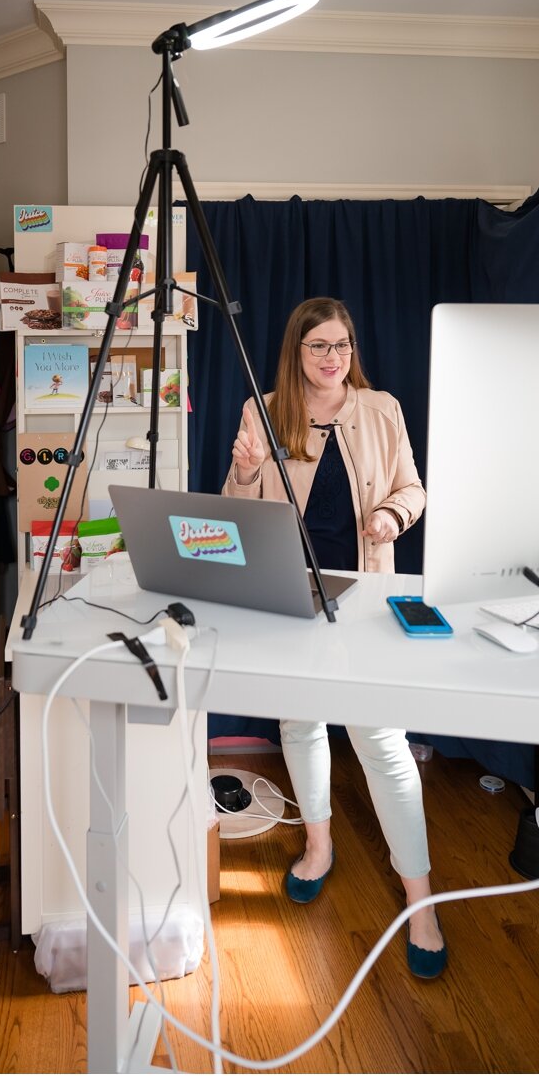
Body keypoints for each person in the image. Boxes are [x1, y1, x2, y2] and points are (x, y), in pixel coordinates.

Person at [223, 295, 444, 977]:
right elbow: (236, 514)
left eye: (342, 346)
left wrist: (390, 517)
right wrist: (245, 466)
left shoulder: (383, 409)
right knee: (301, 722)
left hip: (366, 594)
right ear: (296, 352)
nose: (332, 359)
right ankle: (318, 846)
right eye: (318, 346)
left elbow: (413, 488)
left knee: (381, 740)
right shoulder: (263, 409)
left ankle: (420, 903)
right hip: (290, 592)